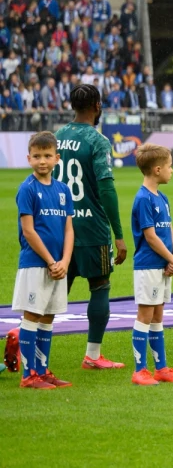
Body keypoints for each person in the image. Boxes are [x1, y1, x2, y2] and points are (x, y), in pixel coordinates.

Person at [56, 83, 126, 370]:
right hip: (90, 227)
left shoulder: (58, 136)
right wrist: (119, 236)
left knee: (56, 290)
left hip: (59, 225)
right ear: (97, 106)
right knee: (100, 286)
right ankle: (93, 356)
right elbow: (106, 189)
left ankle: (33, 355)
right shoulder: (97, 141)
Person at [11, 132, 75, 389]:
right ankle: (29, 376)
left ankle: (42, 369)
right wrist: (51, 261)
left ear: (57, 158)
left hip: (59, 265)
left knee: (48, 317)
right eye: (37, 156)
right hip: (36, 264)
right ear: (28, 158)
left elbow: (69, 229)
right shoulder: (27, 189)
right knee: (33, 314)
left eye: (47, 156)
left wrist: (65, 261)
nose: (42, 161)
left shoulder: (63, 190)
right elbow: (28, 230)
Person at [129, 144, 173, 385]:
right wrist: (171, 258)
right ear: (157, 169)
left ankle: (161, 368)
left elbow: (169, 228)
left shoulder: (161, 197)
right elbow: (150, 236)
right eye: (170, 166)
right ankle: (139, 370)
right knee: (145, 315)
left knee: (158, 315)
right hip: (149, 265)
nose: (172, 170)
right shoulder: (143, 198)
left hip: (163, 265)